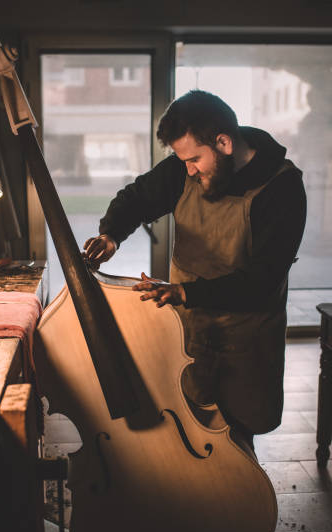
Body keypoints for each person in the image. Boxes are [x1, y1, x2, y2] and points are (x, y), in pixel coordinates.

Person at [83, 90, 306, 452]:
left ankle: (245, 506)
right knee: (188, 432)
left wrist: (186, 293)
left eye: (195, 159)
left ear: (224, 142)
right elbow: (135, 198)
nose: (187, 169)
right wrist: (111, 235)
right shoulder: (183, 166)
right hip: (190, 331)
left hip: (247, 337)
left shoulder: (282, 187)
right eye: (182, 159)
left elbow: (263, 280)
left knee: (238, 439)